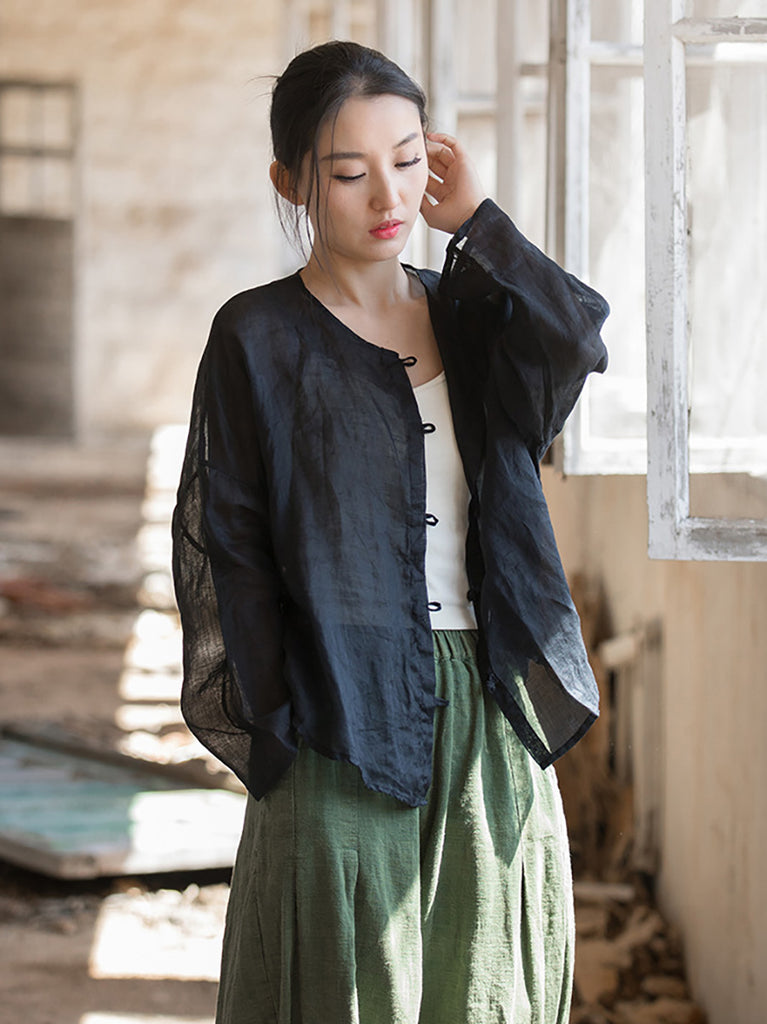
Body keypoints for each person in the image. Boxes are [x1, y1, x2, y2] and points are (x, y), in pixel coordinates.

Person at [172, 39, 608, 1024]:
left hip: (488, 696)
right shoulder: (257, 337)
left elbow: (574, 342)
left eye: (407, 160)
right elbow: (225, 546)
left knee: (480, 985)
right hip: (333, 706)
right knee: (344, 990)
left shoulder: (471, 313)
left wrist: (479, 224)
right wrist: (281, 719)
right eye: (348, 172)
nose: (388, 196)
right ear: (290, 182)